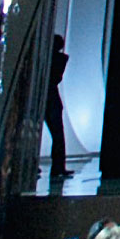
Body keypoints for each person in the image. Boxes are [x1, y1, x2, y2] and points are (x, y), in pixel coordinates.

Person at [48, 33, 71, 178]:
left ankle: (58, 167)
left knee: (57, 135)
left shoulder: (56, 59)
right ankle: (58, 167)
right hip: (51, 100)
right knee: (58, 135)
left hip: (49, 99)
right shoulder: (60, 59)